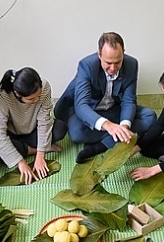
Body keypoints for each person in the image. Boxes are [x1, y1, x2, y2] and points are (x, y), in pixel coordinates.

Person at [54, 32, 157, 163]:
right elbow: (81, 105)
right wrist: (108, 125)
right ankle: (112, 137)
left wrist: (124, 126)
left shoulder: (132, 64)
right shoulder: (86, 66)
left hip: (113, 108)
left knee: (150, 117)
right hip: (90, 110)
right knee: (76, 133)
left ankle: (99, 146)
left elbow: (129, 100)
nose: (113, 68)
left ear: (123, 53)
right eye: (108, 63)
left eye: (118, 62)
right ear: (99, 55)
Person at [0, 67, 67, 185]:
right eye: (31, 99)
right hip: (12, 136)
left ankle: (33, 149)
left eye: (38, 96)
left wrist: (41, 156)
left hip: (32, 131)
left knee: (60, 129)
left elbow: (44, 121)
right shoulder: (4, 96)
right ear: (17, 93)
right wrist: (20, 163)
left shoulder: (44, 87)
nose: (36, 100)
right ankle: (32, 150)